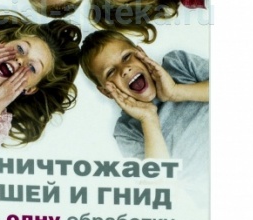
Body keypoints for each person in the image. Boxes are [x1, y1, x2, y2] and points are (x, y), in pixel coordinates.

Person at [80, 29, 209, 204]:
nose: (125, 70)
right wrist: (148, 119)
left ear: (141, 53)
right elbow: (159, 185)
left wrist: (175, 92)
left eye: (127, 57)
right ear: (106, 92)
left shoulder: (178, 64)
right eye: (110, 72)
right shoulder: (126, 131)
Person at [0, 11, 81, 154]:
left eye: (32, 67)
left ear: (30, 89)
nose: (19, 60)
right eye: (20, 49)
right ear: (3, 42)